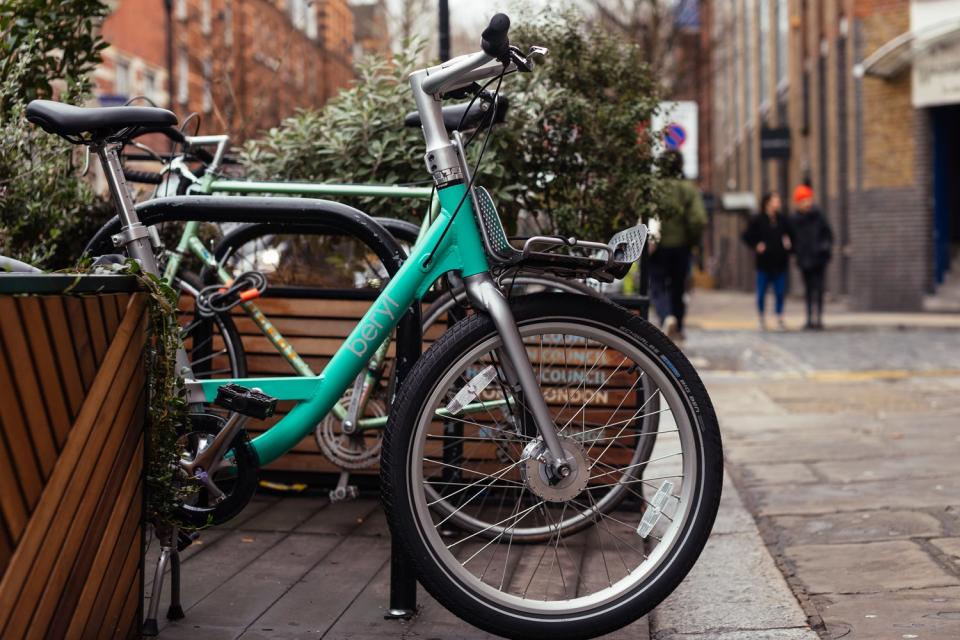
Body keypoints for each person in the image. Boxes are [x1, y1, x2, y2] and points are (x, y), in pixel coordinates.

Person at [648, 150, 707, 341]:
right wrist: (691, 239)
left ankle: (666, 316)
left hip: (657, 247)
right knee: (678, 288)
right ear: (680, 166)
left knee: (657, 285)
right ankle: (678, 326)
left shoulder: (654, 188)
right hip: (681, 246)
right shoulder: (688, 189)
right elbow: (698, 219)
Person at [742, 192, 792, 331]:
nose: (778, 203)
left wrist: (788, 243)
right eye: (776, 200)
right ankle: (761, 318)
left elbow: (791, 234)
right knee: (762, 292)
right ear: (768, 203)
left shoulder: (782, 219)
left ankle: (780, 318)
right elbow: (746, 236)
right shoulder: (758, 220)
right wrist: (756, 245)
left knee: (780, 292)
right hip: (763, 263)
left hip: (780, 262)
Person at [790, 185, 833, 329]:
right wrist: (795, 251)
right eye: (803, 201)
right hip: (804, 259)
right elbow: (791, 237)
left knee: (819, 289)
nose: (806, 203)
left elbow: (828, 234)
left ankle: (819, 319)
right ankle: (809, 318)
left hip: (819, 258)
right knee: (808, 290)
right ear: (798, 202)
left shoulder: (818, 216)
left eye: (808, 200)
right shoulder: (795, 219)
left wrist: (824, 248)